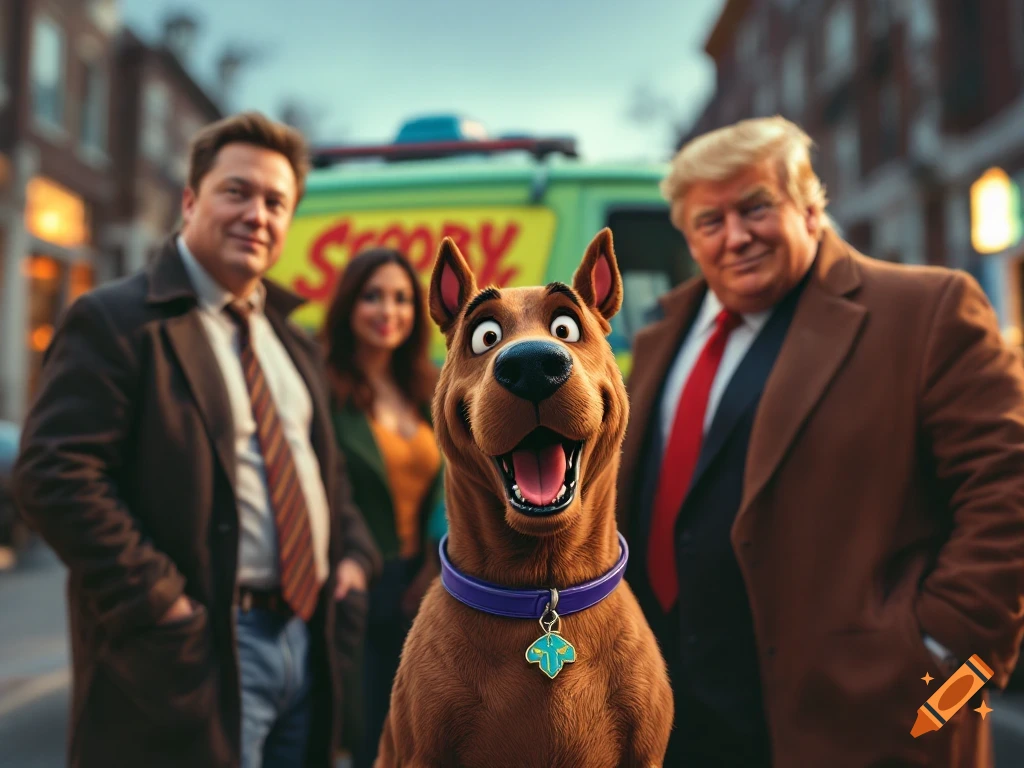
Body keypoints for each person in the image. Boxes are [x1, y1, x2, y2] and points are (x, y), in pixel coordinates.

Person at [616, 116, 1024, 767]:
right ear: (689, 239)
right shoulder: (658, 338)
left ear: (810, 208)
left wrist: (945, 671)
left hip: (860, 721)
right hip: (676, 722)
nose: (736, 237)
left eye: (756, 208)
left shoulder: (927, 310)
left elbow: (1008, 492)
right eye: (709, 222)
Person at [13, 112, 381, 768]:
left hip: (308, 637)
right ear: (190, 202)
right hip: (197, 649)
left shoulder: (293, 340)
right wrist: (161, 602)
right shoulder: (115, 320)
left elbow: (326, 476)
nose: (256, 215)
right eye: (235, 191)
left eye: (276, 202)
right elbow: (53, 474)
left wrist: (351, 557)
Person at [321, 248, 446, 768]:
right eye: (372, 296)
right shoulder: (324, 384)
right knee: (372, 737)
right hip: (354, 585)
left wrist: (435, 565)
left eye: (401, 299)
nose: (387, 311)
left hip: (424, 584)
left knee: (425, 738)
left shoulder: (425, 385)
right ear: (349, 304)